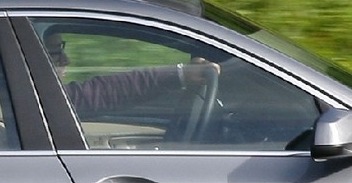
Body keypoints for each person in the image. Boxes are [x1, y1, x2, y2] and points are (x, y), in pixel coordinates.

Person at [39, 30, 221, 119]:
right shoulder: (37, 101)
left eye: (62, 49)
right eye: (55, 51)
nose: (66, 60)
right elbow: (97, 94)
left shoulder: (32, 101)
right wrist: (179, 74)